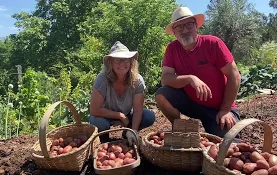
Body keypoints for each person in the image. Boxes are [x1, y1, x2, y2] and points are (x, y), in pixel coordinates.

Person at [155, 7, 241, 138]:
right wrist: (190, 78)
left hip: (218, 108)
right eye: (179, 27)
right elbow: (165, 79)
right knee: (162, 94)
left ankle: (218, 122)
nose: (184, 30)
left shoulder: (213, 44)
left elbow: (234, 76)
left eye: (189, 25)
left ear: (196, 26)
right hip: (192, 104)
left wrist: (225, 109)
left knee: (227, 143)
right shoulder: (172, 49)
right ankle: (182, 128)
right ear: (174, 32)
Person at [89, 41, 156, 144]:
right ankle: (103, 137)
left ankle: (128, 132)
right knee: (98, 122)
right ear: (110, 62)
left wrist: (133, 130)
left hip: (128, 113)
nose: (121, 64)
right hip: (105, 114)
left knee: (148, 117)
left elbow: (138, 110)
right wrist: (120, 116)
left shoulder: (137, 80)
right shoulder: (102, 79)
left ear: (131, 62)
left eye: (125, 60)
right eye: (117, 60)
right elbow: (94, 110)